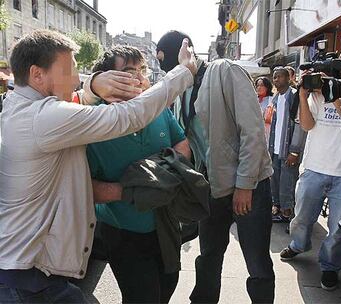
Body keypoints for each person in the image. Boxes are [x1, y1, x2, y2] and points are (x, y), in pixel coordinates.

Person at [0, 29, 196, 303]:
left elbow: (76, 105)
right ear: (37, 74)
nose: (75, 79)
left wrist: (91, 87)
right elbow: (128, 116)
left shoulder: (23, 108)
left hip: (33, 273)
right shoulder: (42, 117)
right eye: (69, 70)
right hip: (29, 281)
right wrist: (184, 71)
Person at [157, 30, 275, 304]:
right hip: (211, 187)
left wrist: (245, 185)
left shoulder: (224, 71)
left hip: (249, 187)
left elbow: (253, 131)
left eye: (169, 60)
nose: (167, 68)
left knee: (256, 263)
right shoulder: (179, 89)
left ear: (187, 49)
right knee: (208, 255)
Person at [82, 45, 192, 303]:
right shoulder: (90, 121)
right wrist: (130, 189)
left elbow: (182, 142)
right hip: (123, 230)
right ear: (107, 78)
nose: (140, 78)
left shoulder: (156, 108)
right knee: (142, 297)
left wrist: (163, 174)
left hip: (165, 221)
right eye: (130, 71)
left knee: (168, 285)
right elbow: (81, 185)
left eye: (142, 70)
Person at [279, 47, 341, 291]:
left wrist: (337, 95)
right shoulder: (317, 93)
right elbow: (307, 125)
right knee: (302, 217)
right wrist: (304, 96)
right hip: (314, 167)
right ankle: (298, 244)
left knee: (338, 229)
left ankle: (329, 267)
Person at [268, 67, 306, 224]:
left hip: (289, 150)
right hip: (275, 149)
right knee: (275, 180)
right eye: (274, 77)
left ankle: (287, 213)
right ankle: (278, 208)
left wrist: (295, 151)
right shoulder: (276, 98)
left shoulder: (295, 96)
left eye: (279, 77)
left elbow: (299, 125)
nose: (276, 79)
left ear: (288, 78)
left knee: (287, 182)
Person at [254, 76, 273, 143]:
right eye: (257, 85)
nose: (259, 88)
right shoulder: (253, 99)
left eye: (262, 85)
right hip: (254, 133)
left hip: (267, 132)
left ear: (267, 87)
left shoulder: (273, 100)